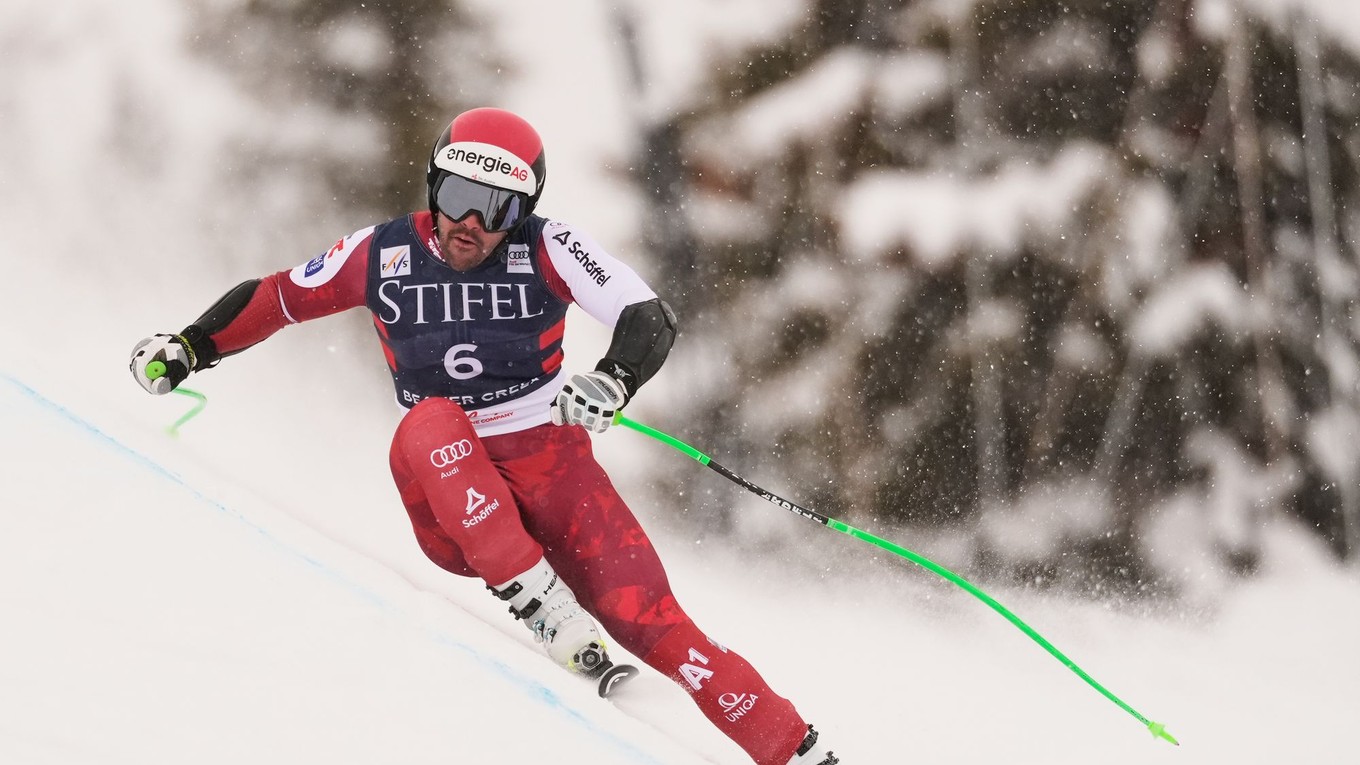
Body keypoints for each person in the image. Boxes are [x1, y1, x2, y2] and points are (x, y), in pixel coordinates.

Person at [128, 107, 837, 765]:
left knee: (654, 619)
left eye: (496, 208)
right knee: (432, 417)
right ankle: (541, 602)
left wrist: (613, 379)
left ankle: (794, 749)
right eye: (457, 195)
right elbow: (280, 297)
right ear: (433, 184)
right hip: (447, 489)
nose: (469, 222)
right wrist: (191, 346)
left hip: (551, 464)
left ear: (523, 211)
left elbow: (647, 313)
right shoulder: (382, 250)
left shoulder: (550, 246)